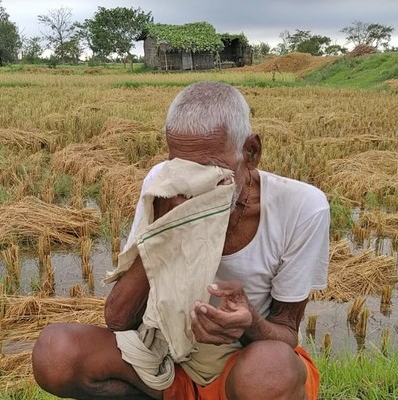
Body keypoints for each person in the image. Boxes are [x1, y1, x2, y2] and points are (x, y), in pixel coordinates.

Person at [32, 81, 330, 400]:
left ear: (251, 152)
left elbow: (286, 333)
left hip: (241, 364)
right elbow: (119, 319)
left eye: (212, 169)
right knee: (57, 353)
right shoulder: (164, 185)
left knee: (270, 370)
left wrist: (248, 323)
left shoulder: (301, 207)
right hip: (168, 355)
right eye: (183, 167)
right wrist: (163, 229)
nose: (194, 184)